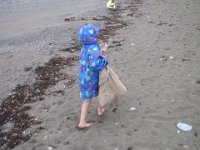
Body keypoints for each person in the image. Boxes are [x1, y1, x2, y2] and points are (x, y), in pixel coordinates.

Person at [78, 24, 108, 129]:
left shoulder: (84, 47)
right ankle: (82, 122)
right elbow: (96, 64)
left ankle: (99, 109)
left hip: (83, 77)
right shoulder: (94, 47)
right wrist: (104, 59)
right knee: (91, 97)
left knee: (89, 97)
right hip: (91, 78)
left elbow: (87, 61)